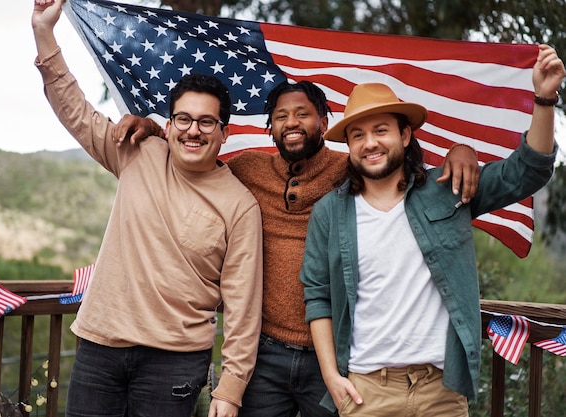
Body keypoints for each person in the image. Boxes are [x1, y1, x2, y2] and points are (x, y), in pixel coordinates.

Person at [116, 77, 479, 416]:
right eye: (281, 116)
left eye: (303, 114)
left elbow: (399, 171)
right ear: (269, 127)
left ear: (323, 123)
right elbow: (195, 155)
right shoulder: (244, 169)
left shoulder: (350, 170)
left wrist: (459, 150)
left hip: (334, 356)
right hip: (264, 353)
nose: (292, 122)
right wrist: (152, 128)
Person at [299, 45, 563, 417]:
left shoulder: (448, 188)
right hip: (367, 392)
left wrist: (544, 98)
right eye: (357, 135)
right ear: (350, 147)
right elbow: (318, 296)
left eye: (380, 130)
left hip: (441, 390)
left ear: (405, 136)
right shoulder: (329, 212)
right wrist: (330, 375)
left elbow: (529, 170)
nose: (370, 142)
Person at [31, 1, 264, 417]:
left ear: (224, 133)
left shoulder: (240, 205)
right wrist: (44, 32)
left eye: (207, 122)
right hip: (99, 348)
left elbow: (244, 306)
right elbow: (76, 111)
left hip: (174, 363)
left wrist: (230, 389)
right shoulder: (138, 153)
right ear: (169, 124)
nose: (194, 130)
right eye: (184, 119)